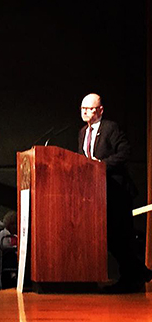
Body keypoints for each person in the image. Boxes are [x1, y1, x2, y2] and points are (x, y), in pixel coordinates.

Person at [78, 93, 152, 293]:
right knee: (108, 237)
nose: (85, 112)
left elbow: (125, 152)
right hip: (97, 195)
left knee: (119, 236)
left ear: (100, 110)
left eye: (90, 109)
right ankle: (139, 273)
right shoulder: (82, 132)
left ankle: (133, 276)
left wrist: (101, 166)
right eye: (83, 109)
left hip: (117, 192)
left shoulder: (110, 128)